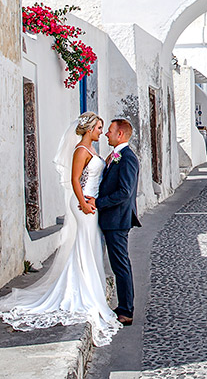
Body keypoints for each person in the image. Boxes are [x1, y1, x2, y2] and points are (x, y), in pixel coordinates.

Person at [0, 112, 121, 346]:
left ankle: (87, 289)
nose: (102, 132)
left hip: (91, 202)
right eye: (99, 128)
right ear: (90, 129)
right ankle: (84, 293)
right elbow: (75, 179)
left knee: (88, 245)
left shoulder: (91, 150)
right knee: (85, 244)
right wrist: (82, 202)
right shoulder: (81, 151)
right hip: (83, 204)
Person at [91, 118, 140, 326]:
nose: (106, 134)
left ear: (120, 134)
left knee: (121, 266)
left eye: (109, 131)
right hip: (112, 219)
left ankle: (126, 310)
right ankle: (123, 306)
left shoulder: (127, 158)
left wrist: (99, 203)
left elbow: (124, 192)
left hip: (118, 220)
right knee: (119, 265)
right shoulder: (117, 156)